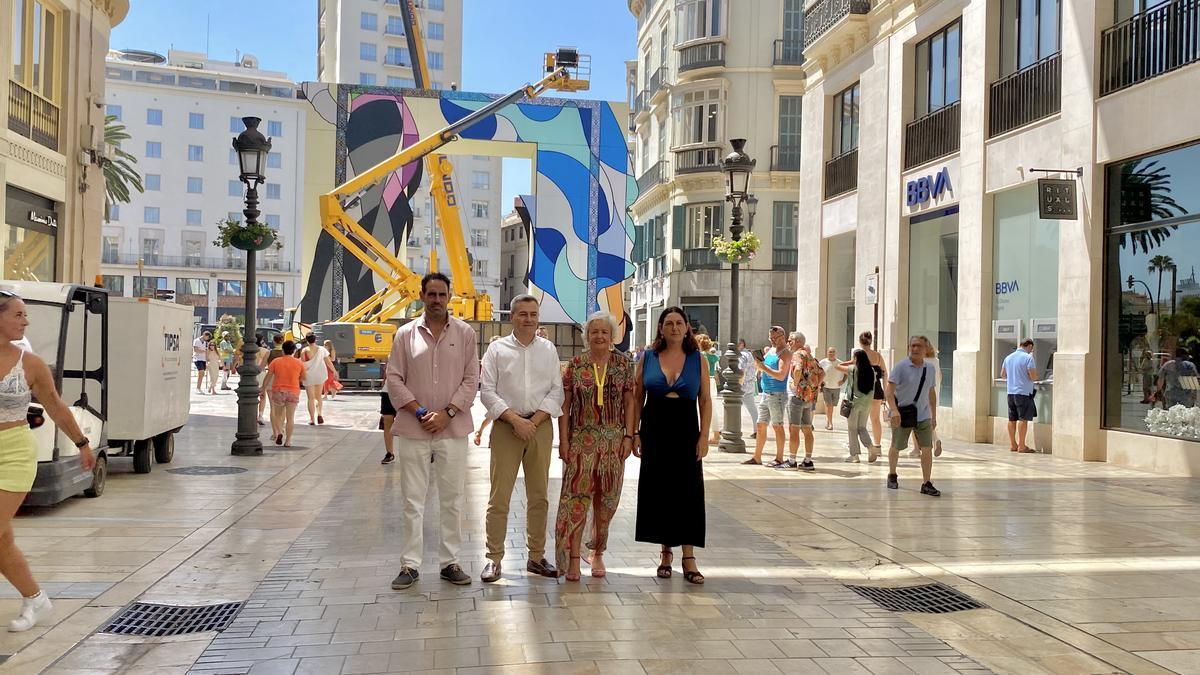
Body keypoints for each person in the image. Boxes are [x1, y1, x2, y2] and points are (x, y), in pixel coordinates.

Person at [0, 291, 96, 632]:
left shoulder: (31, 363)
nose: (26, 321)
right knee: (2, 540)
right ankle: (36, 600)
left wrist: (82, 443)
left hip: (13, 452)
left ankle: (35, 601)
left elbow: (55, 405)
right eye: (19, 315)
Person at [385, 273, 477, 590]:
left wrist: (448, 413)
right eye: (431, 294)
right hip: (414, 428)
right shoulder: (405, 335)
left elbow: (471, 379)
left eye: (442, 294)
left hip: (452, 429)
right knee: (413, 500)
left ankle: (450, 562)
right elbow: (394, 378)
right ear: (421, 296)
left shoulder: (465, 334)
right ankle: (410, 565)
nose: (436, 300)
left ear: (449, 297)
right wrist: (420, 412)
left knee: (452, 499)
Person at [478, 295, 564, 582]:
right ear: (511, 316)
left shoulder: (548, 349)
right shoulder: (497, 349)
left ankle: (536, 557)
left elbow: (556, 391)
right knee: (498, 497)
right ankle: (493, 559)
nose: (529, 319)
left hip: (539, 426)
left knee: (539, 496)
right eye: (522, 314)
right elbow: (487, 391)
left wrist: (534, 421)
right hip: (506, 426)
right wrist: (515, 420)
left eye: (533, 313)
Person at [555, 312, 637, 581]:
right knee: (576, 501)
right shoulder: (575, 366)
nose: (599, 336)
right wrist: (564, 441)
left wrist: (629, 436)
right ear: (586, 336)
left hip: (614, 442)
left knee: (607, 502)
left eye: (604, 332)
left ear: (612, 336)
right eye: (594, 332)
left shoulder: (623, 365)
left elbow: (630, 403)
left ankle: (598, 551)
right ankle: (574, 557)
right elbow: (565, 407)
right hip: (581, 440)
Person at [634, 307, 710, 584]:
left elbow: (705, 400)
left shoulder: (697, 359)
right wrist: (634, 433)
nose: (675, 328)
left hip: (687, 428)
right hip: (654, 427)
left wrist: (704, 436)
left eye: (680, 323)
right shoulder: (648, 357)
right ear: (661, 328)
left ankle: (688, 556)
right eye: (669, 323)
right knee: (660, 490)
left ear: (687, 327)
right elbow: (636, 396)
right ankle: (665, 553)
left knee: (688, 490)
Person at [885, 336, 940, 496]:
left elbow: (931, 392)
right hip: (902, 413)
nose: (915, 349)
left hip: (922, 414)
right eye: (912, 345)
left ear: (926, 349)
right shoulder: (901, 367)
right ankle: (892, 474)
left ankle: (926, 482)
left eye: (918, 346)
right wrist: (894, 410)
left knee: (927, 448)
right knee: (896, 446)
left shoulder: (929, 368)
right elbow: (889, 391)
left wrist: (933, 415)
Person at [746, 326, 791, 466]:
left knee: (777, 425)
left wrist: (763, 368)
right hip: (766, 393)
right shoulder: (771, 351)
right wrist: (759, 365)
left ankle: (779, 458)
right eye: (770, 338)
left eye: (774, 338)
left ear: (782, 337)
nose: (772, 340)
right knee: (760, 424)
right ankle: (757, 457)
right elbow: (763, 367)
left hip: (777, 394)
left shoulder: (785, 353)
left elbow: (781, 375)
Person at [781, 332, 823, 471]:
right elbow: (822, 373)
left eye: (790, 340)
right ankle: (808, 461)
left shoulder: (798, 354)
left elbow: (798, 369)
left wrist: (795, 384)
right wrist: (814, 388)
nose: (788, 343)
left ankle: (792, 460)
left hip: (796, 397)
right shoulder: (809, 355)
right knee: (807, 429)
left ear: (798, 341)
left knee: (794, 428)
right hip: (808, 398)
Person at [843, 331, 887, 455]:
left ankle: (855, 447)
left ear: (859, 341)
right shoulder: (877, 356)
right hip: (876, 388)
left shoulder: (858, 355)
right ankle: (877, 446)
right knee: (875, 419)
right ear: (871, 341)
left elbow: (851, 369)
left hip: (861, 389)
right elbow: (884, 373)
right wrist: (885, 391)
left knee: (856, 421)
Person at [838, 348, 878, 463]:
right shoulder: (872, 371)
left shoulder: (852, 369)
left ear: (856, 359)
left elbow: (838, 366)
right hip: (866, 404)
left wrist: (850, 362)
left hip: (854, 404)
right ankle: (870, 447)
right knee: (862, 427)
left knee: (852, 429)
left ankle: (854, 455)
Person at [1000, 338, 1038, 453]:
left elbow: (1003, 375)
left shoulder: (1008, 357)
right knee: (1023, 419)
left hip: (1010, 392)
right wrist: (1035, 377)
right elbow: (1033, 376)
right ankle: (1022, 446)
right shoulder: (1028, 358)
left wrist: (1014, 377)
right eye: (1031, 349)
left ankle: (1013, 444)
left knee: (1012, 419)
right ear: (1030, 346)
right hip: (1023, 393)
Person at [264, 340, 304, 447]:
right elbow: (304, 378)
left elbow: (268, 377)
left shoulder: (276, 361)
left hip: (278, 390)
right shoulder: (299, 362)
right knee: (290, 417)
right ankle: (288, 441)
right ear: (294, 351)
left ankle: (280, 432)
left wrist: (263, 389)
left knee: (277, 415)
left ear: (283, 350)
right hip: (293, 391)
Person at [914, 339, 944, 458]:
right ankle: (934, 441)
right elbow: (940, 376)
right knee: (928, 420)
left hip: (920, 395)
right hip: (934, 394)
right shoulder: (936, 361)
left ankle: (918, 448)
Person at [300, 334, 334, 425]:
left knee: (310, 398)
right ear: (315, 340)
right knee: (318, 396)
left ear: (307, 340)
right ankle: (319, 414)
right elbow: (328, 362)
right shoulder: (322, 349)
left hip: (309, 376)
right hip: (320, 374)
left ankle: (312, 419)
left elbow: (302, 365)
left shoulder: (304, 350)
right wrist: (334, 371)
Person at [819, 347, 844, 431]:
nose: (831, 353)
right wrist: (820, 382)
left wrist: (843, 381)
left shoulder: (840, 363)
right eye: (830, 352)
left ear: (835, 353)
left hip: (836, 387)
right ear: (827, 353)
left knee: (832, 405)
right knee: (828, 405)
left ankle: (828, 421)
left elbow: (846, 373)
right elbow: (818, 372)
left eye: (833, 352)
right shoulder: (822, 362)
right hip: (826, 387)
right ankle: (830, 423)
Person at [738, 340, 759, 437]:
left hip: (742, 385)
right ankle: (757, 430)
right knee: (752, 408)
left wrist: (738, 384)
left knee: (734, 406)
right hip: (749, 384)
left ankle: (730, 427)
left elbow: (741, 370)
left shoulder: (742, 355)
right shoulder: (749, 354)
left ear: (742, 344)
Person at [254, 334, 270, 425]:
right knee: (262, 396)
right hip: (261, 373)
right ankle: (260, 415)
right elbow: (264, 364)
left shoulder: (249, 349)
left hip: (251, 373)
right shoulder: (266, 351)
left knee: (253, 395)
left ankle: (254, 414)